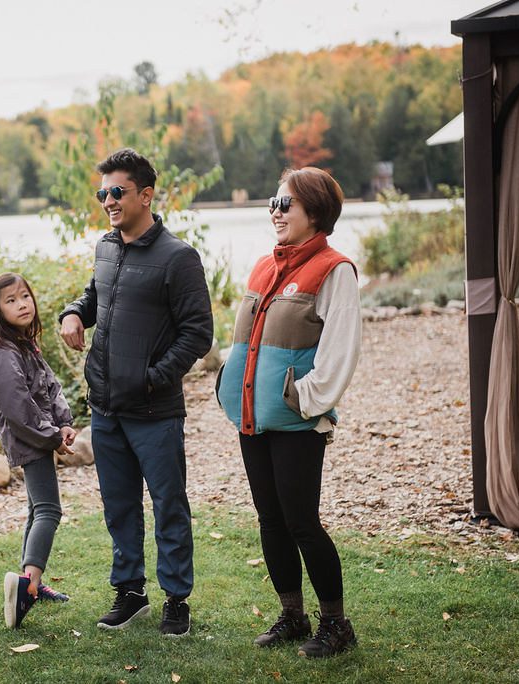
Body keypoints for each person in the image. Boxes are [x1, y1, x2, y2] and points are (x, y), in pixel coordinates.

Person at [59, 148, 213, 638]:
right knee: (119, 506)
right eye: (102, 192)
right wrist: (72, 313)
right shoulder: (107, 247)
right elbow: (94, 296)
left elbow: (198, 333)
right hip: (105, 407)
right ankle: (130, 594)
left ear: (146, 195)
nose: (107, 199)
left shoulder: (178, 257)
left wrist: (152, 377)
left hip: (153, 409)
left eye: (117, 191)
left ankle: (176, 601)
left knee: (169, 504)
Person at [216, 166, 362, 657]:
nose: (276, 212)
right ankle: (293, 616)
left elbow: (340, 352)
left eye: (287, 204)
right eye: (273, 204)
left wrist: (306, 400)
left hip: (296, 421)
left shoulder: (334, 270)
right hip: (251, 417)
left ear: (315, 212)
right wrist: (226, 384)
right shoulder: (263, 266)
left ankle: (337, 625)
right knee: (270, 520)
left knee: (302, 522)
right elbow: (242, 342)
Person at [0, 272, 77, 629]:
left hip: (41, 434)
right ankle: (28, 585)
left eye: (25, 297)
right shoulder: (1, 352)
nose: (22, 305)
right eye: (11, 300)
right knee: (49, 510)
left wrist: (63, 422)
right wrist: (51, 436)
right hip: (29, 437)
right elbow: (18, 407)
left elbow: (50, 384)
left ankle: (30, 582)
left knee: (37, 507)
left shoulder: (22, 343)